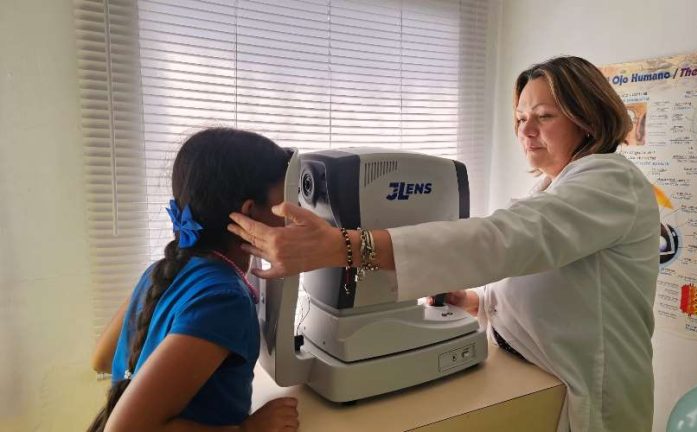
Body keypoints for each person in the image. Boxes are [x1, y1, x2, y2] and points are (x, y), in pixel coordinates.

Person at [227, 56, 659, 432]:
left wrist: (345, 246)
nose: (525, 130)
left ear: (588, 117)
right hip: (530, 373)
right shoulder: (551, 189)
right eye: (520, 118)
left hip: (589, 393)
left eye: (544, 116)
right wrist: (475, 302)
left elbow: (505, 240)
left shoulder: (611, 182)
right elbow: (545, 277)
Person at [88, 128, 300, 432]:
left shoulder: (163, 270)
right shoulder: (225, 299)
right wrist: (247, 430)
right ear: (250, 214)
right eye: (285, 202)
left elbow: (104, 359)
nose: (294, 215)